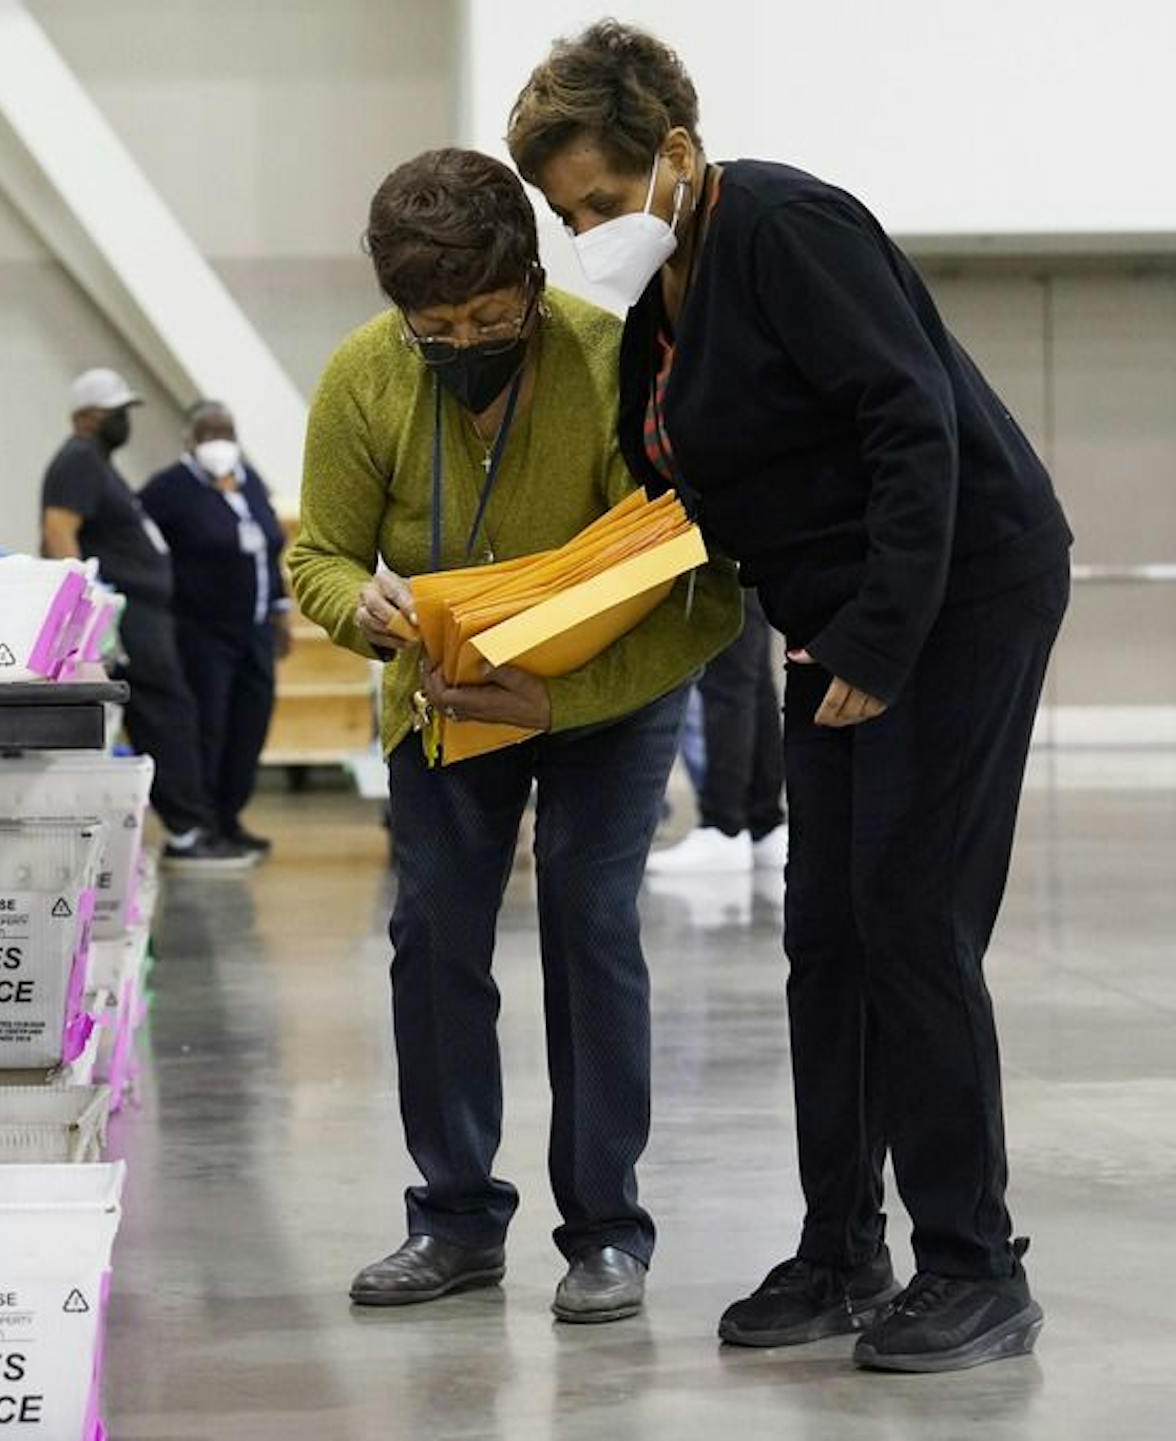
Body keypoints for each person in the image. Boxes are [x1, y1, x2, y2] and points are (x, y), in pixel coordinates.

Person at [509, 20, 1072, 1372]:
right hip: (837, 621)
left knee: (911, 921)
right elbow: (696, 495)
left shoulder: (786, 226)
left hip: (960, 591)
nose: (586, 229)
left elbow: (909, 422)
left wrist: (878, 639)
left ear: (677, 153)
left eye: (598, 198)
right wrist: (530, 630)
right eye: (562, 212)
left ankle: (976, 1263)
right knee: (823, 935)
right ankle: (841, 1246)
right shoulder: (664, 295)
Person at [288, 149, 739, 1323]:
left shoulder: (609, 359)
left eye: (492, 315)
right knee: (434, 937)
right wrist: (362, 608)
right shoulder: (363, 380)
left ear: (534, 283)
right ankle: (450, 1220)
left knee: (592, 929)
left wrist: (566, 697)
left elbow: (699, 585)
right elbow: (319, 556)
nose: (468, 339)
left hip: (607, 697)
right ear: (402, 314)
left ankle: (605, 1232)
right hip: (442, 695)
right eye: (438, 326)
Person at [41, 368, 252, 871]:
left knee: (170, 713)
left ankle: (190, 825)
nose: (124, 422)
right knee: (166, 715)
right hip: (126, 615)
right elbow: (58, 530)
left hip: (145, 613)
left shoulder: (96, 462)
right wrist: (86, 601)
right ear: (87, 417)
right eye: (116, 414)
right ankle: (187, 832)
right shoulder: (77, 460)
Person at [137, 401, 290, 858]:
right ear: (189, 437)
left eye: (225, 431)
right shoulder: (170, 489)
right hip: (202, 632)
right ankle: (200, 824)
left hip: (256, 628)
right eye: (208, 432)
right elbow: (136, 542)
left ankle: (229, 816)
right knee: (209, 727)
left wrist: (279, 613)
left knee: (249, 726)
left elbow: (268, 548)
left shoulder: (250, 481)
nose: (217, 441)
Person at [648, 592, 786, 873]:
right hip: (752, 559)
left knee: (729, 677)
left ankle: (725, 825)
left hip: (726, 554)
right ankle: (762, 822)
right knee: (753, 676)